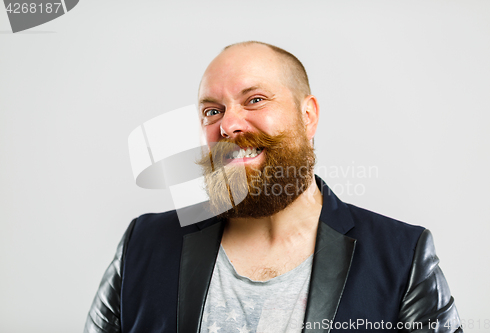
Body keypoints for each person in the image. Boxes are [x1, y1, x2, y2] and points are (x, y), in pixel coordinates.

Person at [84, 41, 462, 333]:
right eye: (212, 111)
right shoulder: (143, 244)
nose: (229, 126)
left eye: (256, 100)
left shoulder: (401, 256)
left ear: (308, 115)